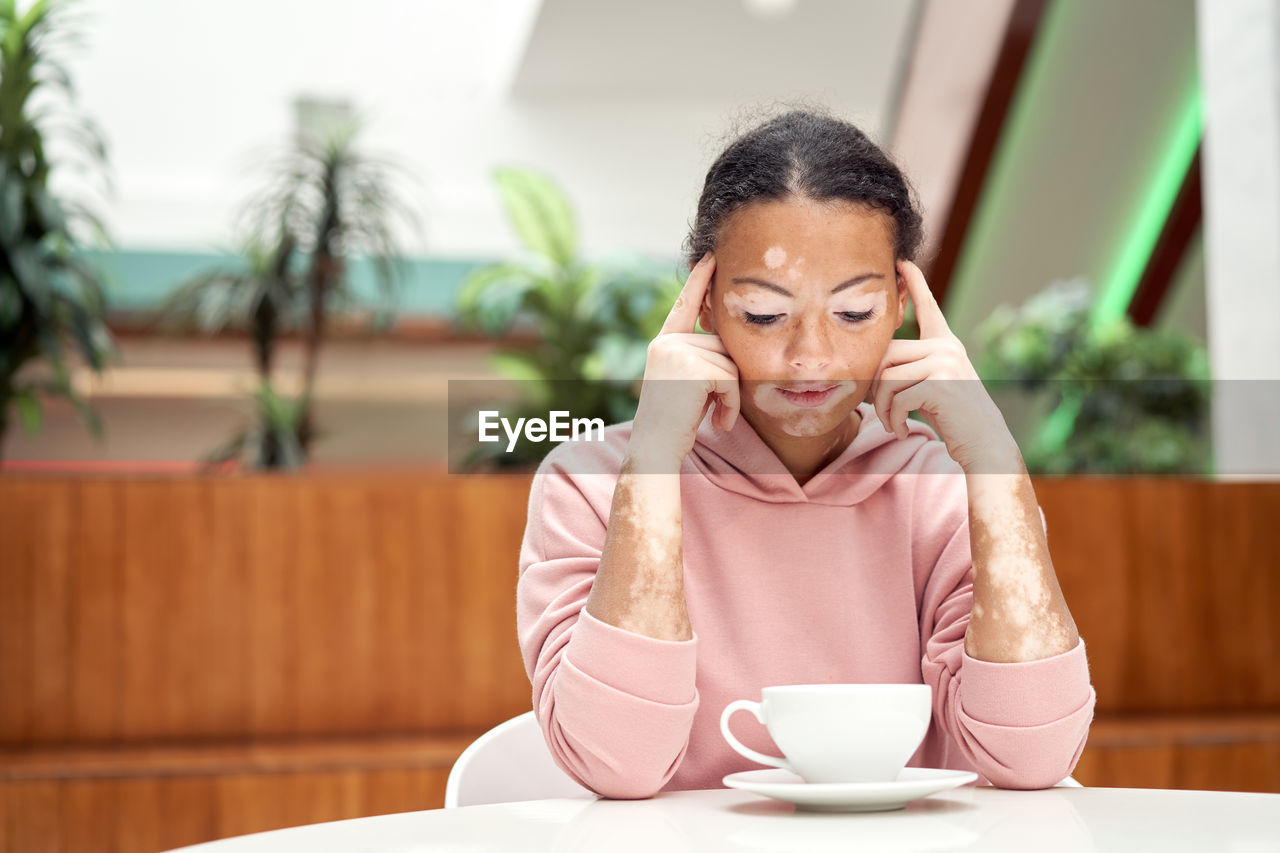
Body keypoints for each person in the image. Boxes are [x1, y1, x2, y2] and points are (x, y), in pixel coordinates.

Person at [515, 107, 1095, 798]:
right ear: (704, 305)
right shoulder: (587, 484)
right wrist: (654, 463)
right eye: (764, 314)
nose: (810, 357)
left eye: (853, 314)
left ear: (902, 304)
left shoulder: (940, 490)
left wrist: (995, 458)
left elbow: (1033, 758)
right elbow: (618, 762)